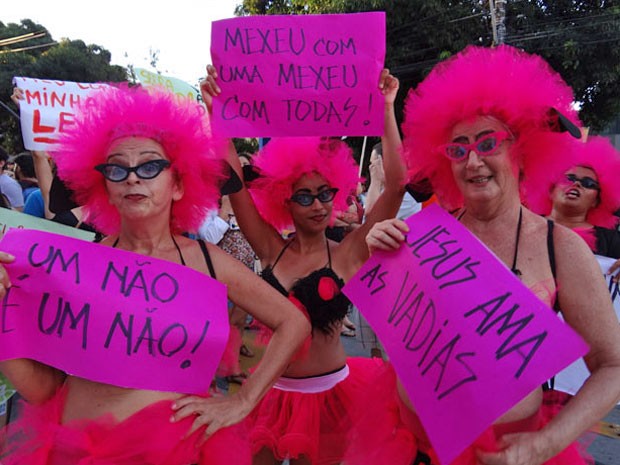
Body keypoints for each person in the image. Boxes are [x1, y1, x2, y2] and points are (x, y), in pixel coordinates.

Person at [0, 84, 310, 465]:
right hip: (69, 454)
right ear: (104, 188)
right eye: (117, 168)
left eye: (149, 166)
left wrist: (244, 400)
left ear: (178, 184)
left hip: (174, 453)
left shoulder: (209, 263)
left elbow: (293, 322)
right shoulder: (74, 267)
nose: (132, 178)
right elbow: (44, 389)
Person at [354, 45, 620, 465]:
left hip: (503, 454)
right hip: (405, 446)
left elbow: (612, 366)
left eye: (488, 142)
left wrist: (545, 443)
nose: (473, 160)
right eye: (458, 148)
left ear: (519, 148)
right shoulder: (424, 236)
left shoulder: (560, 247)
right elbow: (407, 338)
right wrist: (382, 256)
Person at [201, 65, 406, 465]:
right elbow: (236, 184)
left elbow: (397, 185)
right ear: (284, 200)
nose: (319, 205)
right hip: (272, 396)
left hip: (334, 398)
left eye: (325, 193)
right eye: (306, 197)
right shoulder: (269, 248)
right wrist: (217, 115)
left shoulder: (347, 252)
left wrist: (385, 109)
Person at [522, 135, 620, 260]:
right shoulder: (522, 225)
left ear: (596, 201)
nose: (576, 184)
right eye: (568, 179)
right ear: (551, 190)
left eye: (588, 183)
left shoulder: (612, 241)